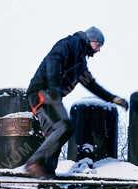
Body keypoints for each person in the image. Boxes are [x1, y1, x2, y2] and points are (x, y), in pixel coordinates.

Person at [24, 27, 127, 178]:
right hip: (43, 92)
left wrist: (113, 99)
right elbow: (54, 60)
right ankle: (34, 162)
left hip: (49, 94)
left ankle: (46, 176)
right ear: (91, 39)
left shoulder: (80, 64)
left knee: (57, 135)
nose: (98, 50)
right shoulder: (70, 44)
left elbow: (92, 85)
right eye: (98, 45)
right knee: (65, 126)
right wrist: (54, 88)